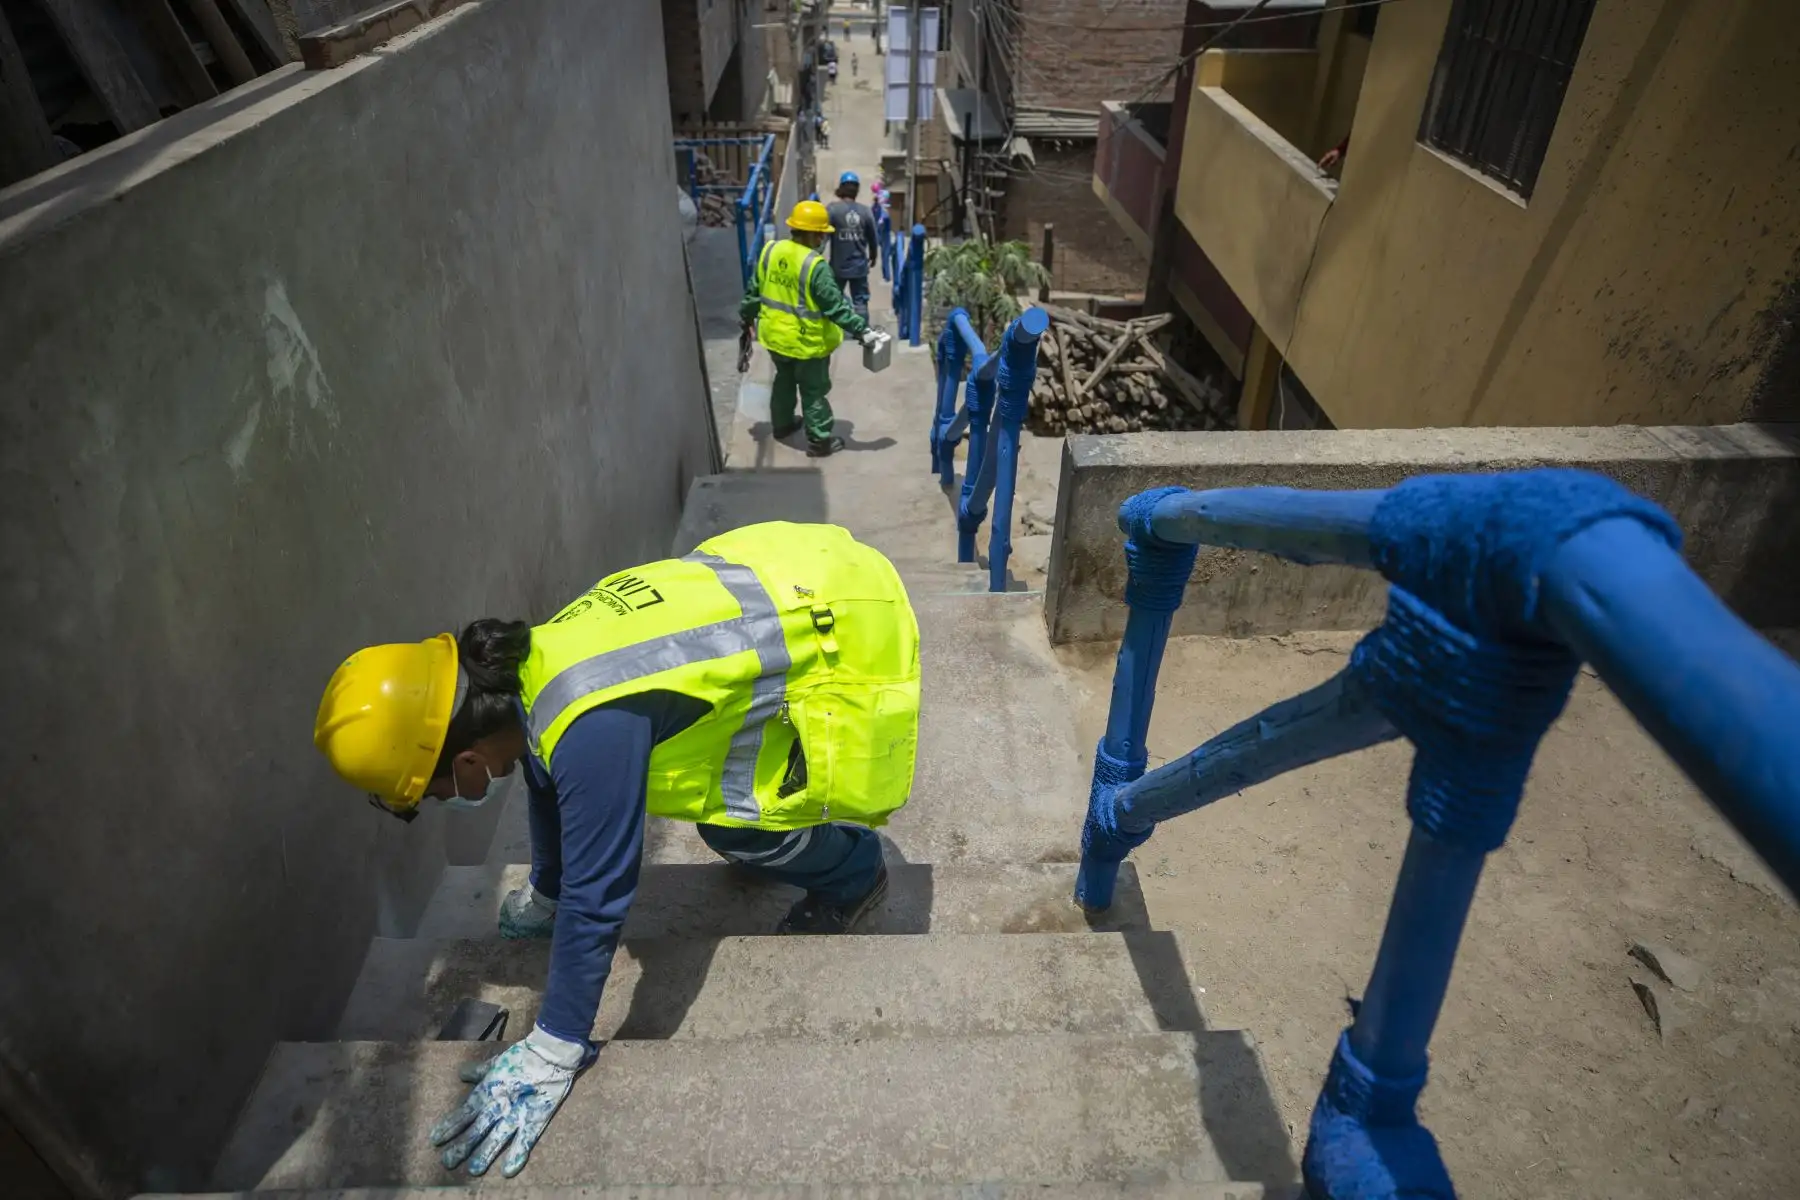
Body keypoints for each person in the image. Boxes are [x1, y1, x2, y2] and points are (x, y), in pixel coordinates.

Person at [313, 521, 922, 1178]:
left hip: (837, 634)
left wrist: (556, 1044)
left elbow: (600, 898)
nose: (441, 803)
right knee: (711, 817)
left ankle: (856, 874)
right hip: (785, 586)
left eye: (432, 793)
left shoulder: (591, 732)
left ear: (464, 760)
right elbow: (540, 770)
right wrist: (547, 885)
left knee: (734, 826)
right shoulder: (532, 668)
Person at [741, 200, 881, 456]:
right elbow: (836, 307)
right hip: (807, 344)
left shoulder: (770, 251)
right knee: (813, 391)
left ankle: (782, 425)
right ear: (813, 234)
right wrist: (863, 330)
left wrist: (746, 318)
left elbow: (753, 292)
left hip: (775, 337)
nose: (823, 239)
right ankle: (819, 441)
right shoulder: (815, 267)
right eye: (821, 234)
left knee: (783, 381)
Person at [826, 171, 879, 323]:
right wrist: (873, 256)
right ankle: (862, 331)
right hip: (859, 266)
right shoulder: (865, 211)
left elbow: (822, 236)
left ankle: (835, 329)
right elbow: (873, 238)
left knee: (834, 298)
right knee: (860, 301)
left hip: (838, 267)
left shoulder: (833, 210)